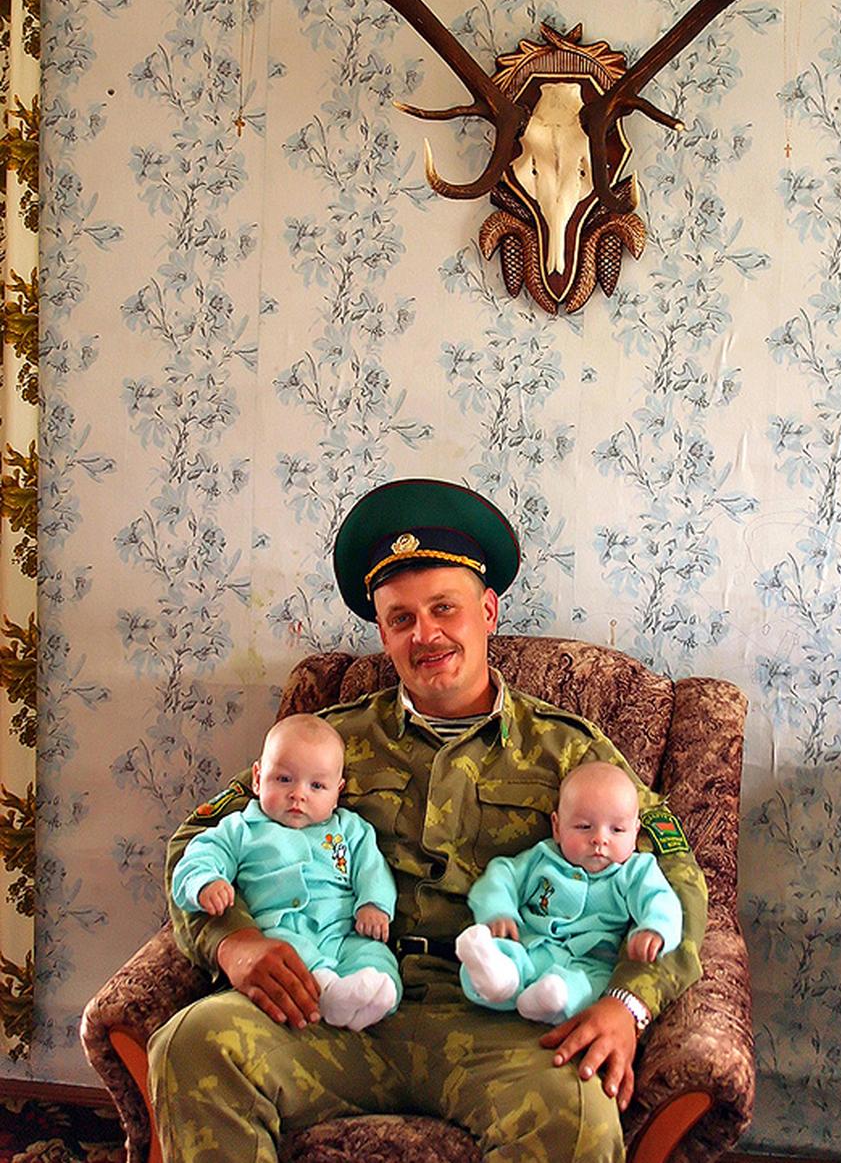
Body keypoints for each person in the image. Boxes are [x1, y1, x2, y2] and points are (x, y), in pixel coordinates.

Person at [148, 478, 708, 1163]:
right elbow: (197, 841)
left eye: (445, 608)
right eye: (401, 618)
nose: (427, 634)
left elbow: (675, 875)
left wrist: (631, 1001)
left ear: (489, 610)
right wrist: (232, 942)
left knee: (576, 1115)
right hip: (335, 1003)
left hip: (504, 1020)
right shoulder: (326, 741)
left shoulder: (572, 750)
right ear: (382, 630)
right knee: (192, 1043)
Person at [170, 713, 401, 1030]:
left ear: (338, 791)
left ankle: (380, 996)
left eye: (317, 785)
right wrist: (205, 882)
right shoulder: (242, 828)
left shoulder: (350, 829)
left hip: (343, 930)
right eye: (283, 779)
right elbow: (198, 855)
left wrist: (374, 905)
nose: (298, 794)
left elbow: (371, 868)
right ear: (257, 777)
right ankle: (328, 993)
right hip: (281, 928)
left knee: (374, 956)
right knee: (291, 958)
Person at [456, 759, 682, 1024]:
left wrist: (654, 928)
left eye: (617, 829)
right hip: (531, 946)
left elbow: (660, 899)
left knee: (592, 988)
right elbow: (501, 874)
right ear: (557, 827)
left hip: (591, 961)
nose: (600, 839)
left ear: (635, 833)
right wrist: (499, 910)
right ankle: (497, 981)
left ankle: (553, 999)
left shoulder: (635, 871)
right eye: (584, 827)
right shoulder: (542, 858)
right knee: (501, 956)